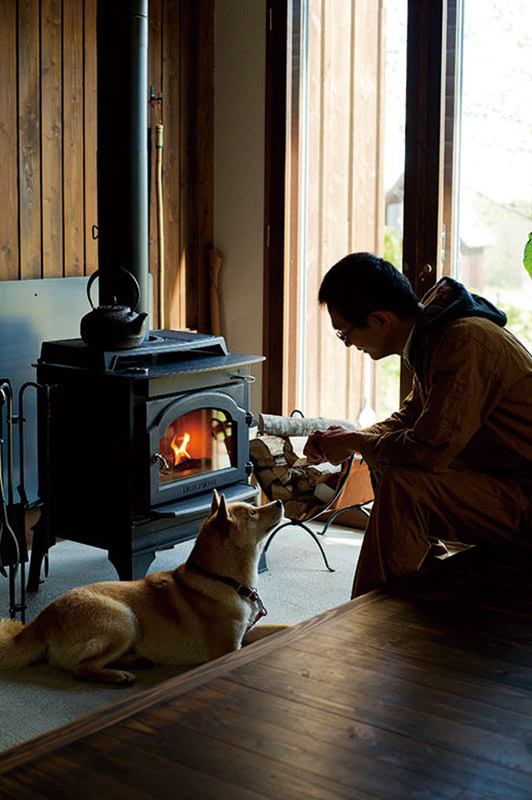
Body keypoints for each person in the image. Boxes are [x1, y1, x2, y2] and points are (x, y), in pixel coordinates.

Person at [303, 251, 532, 597]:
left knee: (404, 484)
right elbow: (411, 418)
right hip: (505, 482)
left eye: (344, 333)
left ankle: (367, 631)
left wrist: (355, 443)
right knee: (390, 462)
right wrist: (351, 438)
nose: (348, 344)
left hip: (525, 496)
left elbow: (429, 449)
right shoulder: (435, 335)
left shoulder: (463, 342)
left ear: (381, 320)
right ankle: (429, 585)